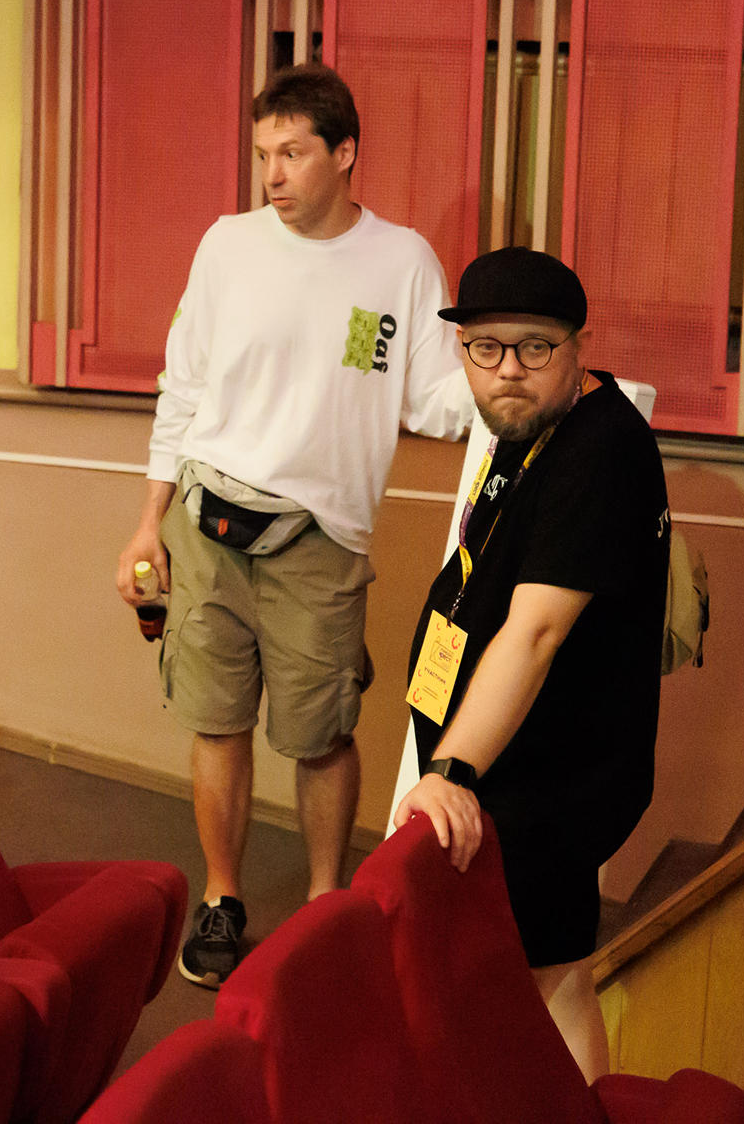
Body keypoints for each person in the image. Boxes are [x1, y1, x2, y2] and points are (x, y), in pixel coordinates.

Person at [115, 63, 470, 988]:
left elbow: (434, 398)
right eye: (263, 154)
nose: (272, 174)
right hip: (206, 526)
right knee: (216, 721)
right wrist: (148, 524)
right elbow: (182, 388)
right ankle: (222, 899)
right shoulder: (227, 246)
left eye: (293, 153)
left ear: (344, 153)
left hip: (322, 541)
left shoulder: (401, 262)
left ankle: (323, 907)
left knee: (321, 734)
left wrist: (517, 381)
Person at [394, 247, 667, 1081]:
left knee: (542, 985)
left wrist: (450, 768)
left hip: (546, 778)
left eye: (534, 346)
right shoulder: (533, 426)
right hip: (518, 763)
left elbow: (537, 632)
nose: (508, 370)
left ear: (579, 345)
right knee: (547, 977)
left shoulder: (599, 450)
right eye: (486, 348)